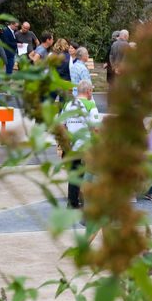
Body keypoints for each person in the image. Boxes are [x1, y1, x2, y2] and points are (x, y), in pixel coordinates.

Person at [63, 79, 102, 210]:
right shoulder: (90, 105)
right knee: (90, 175)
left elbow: (61, 125)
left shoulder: (68, 104)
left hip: (71, 146)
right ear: (88, 91)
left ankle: (72, 204)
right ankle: (89, 204)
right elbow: (96, 128)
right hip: (87, 146)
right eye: (92, 90)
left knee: (74, 175)